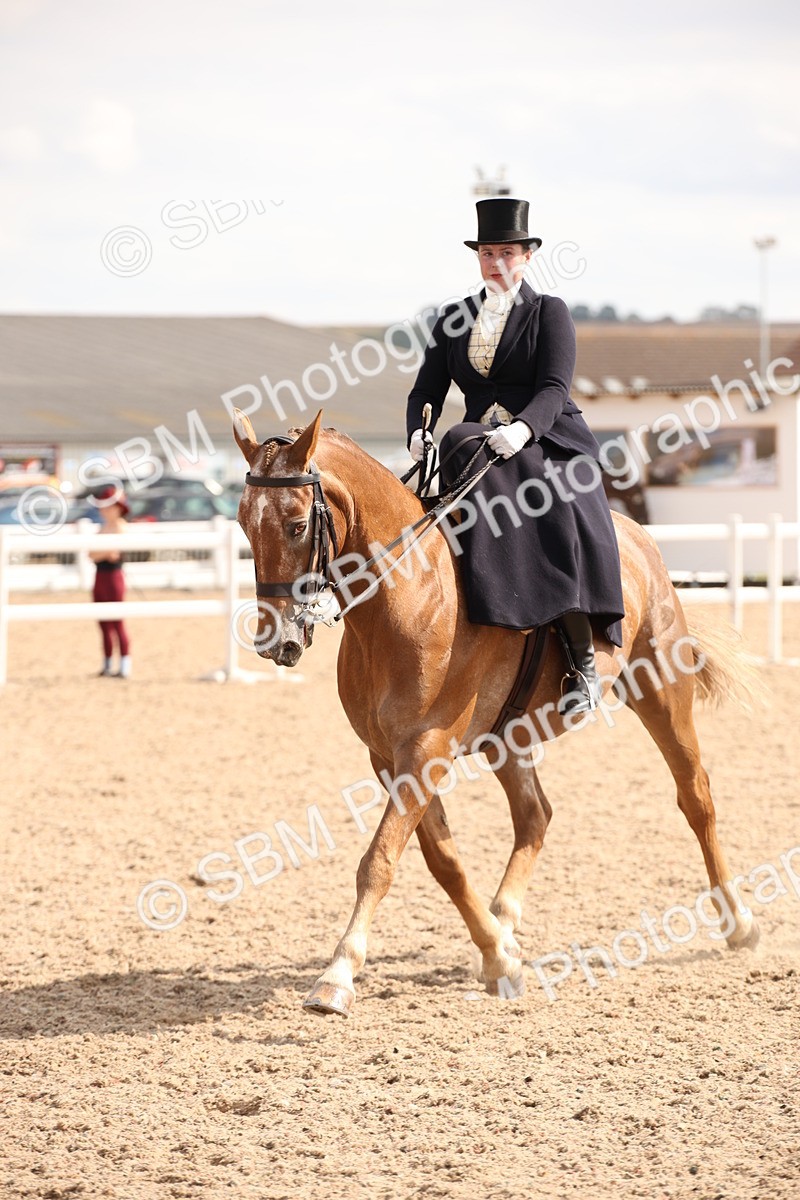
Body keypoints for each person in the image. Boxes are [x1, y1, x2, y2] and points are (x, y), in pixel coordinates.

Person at [406, 197, 624, 715]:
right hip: (477, 442)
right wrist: (418, 431)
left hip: (548, 438)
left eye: (506, 252)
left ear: (526, 256)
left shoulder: (549, 313)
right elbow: (425, 390)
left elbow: (553, 387)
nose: (495, 262)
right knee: (454, 448)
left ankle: (581, 662)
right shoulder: (454, 318)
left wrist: (524, 430)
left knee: (536, 496)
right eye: (486, 253)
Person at [89, 485, 132, 678]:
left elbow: (114, 552)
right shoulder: (103, 527)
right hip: (100, 576)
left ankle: (124, 664)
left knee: (117, 621)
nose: (104, 510)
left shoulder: (120, 526)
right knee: (103, 622)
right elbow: (93, 554)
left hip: (114, 576)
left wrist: (102, 553)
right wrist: (103, 553)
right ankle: (107, 664)